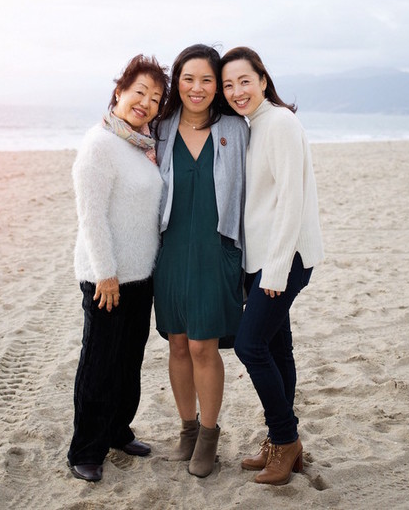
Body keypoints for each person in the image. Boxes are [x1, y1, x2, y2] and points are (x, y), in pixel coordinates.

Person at [220, 46, 324, 486]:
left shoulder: (280, 122)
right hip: (264, 258)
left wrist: (276, 271)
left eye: (244, 80)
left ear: (263, 79)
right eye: (228, 85)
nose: (237, 91)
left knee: (250, 346)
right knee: (278, 349)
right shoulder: (253, 126)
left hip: (285, 258)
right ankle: (282, 443)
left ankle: (286, 439)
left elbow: (290, 202)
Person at [67, 54, 169, 483]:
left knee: (129, 360)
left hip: (140, 275)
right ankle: (85, 449)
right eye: (139, 92)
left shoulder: (141, 144)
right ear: (119, 92)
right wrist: (106, 273)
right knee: (99, 363)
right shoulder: (99, 144)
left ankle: (117, 430)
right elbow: (91, 216)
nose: (145, 102)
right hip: (105, 277)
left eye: (155, 97)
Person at [153, 44, 248, 478]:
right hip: (171, 250)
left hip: (215, 250)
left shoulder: (236, 128)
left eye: (207, 80)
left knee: (202, 346)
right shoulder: (162, 126)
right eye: (189, 79)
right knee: (176, 344)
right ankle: (187, 430)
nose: (198, 88)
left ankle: (209, 436)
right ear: (178, 82)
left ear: (218, 86)